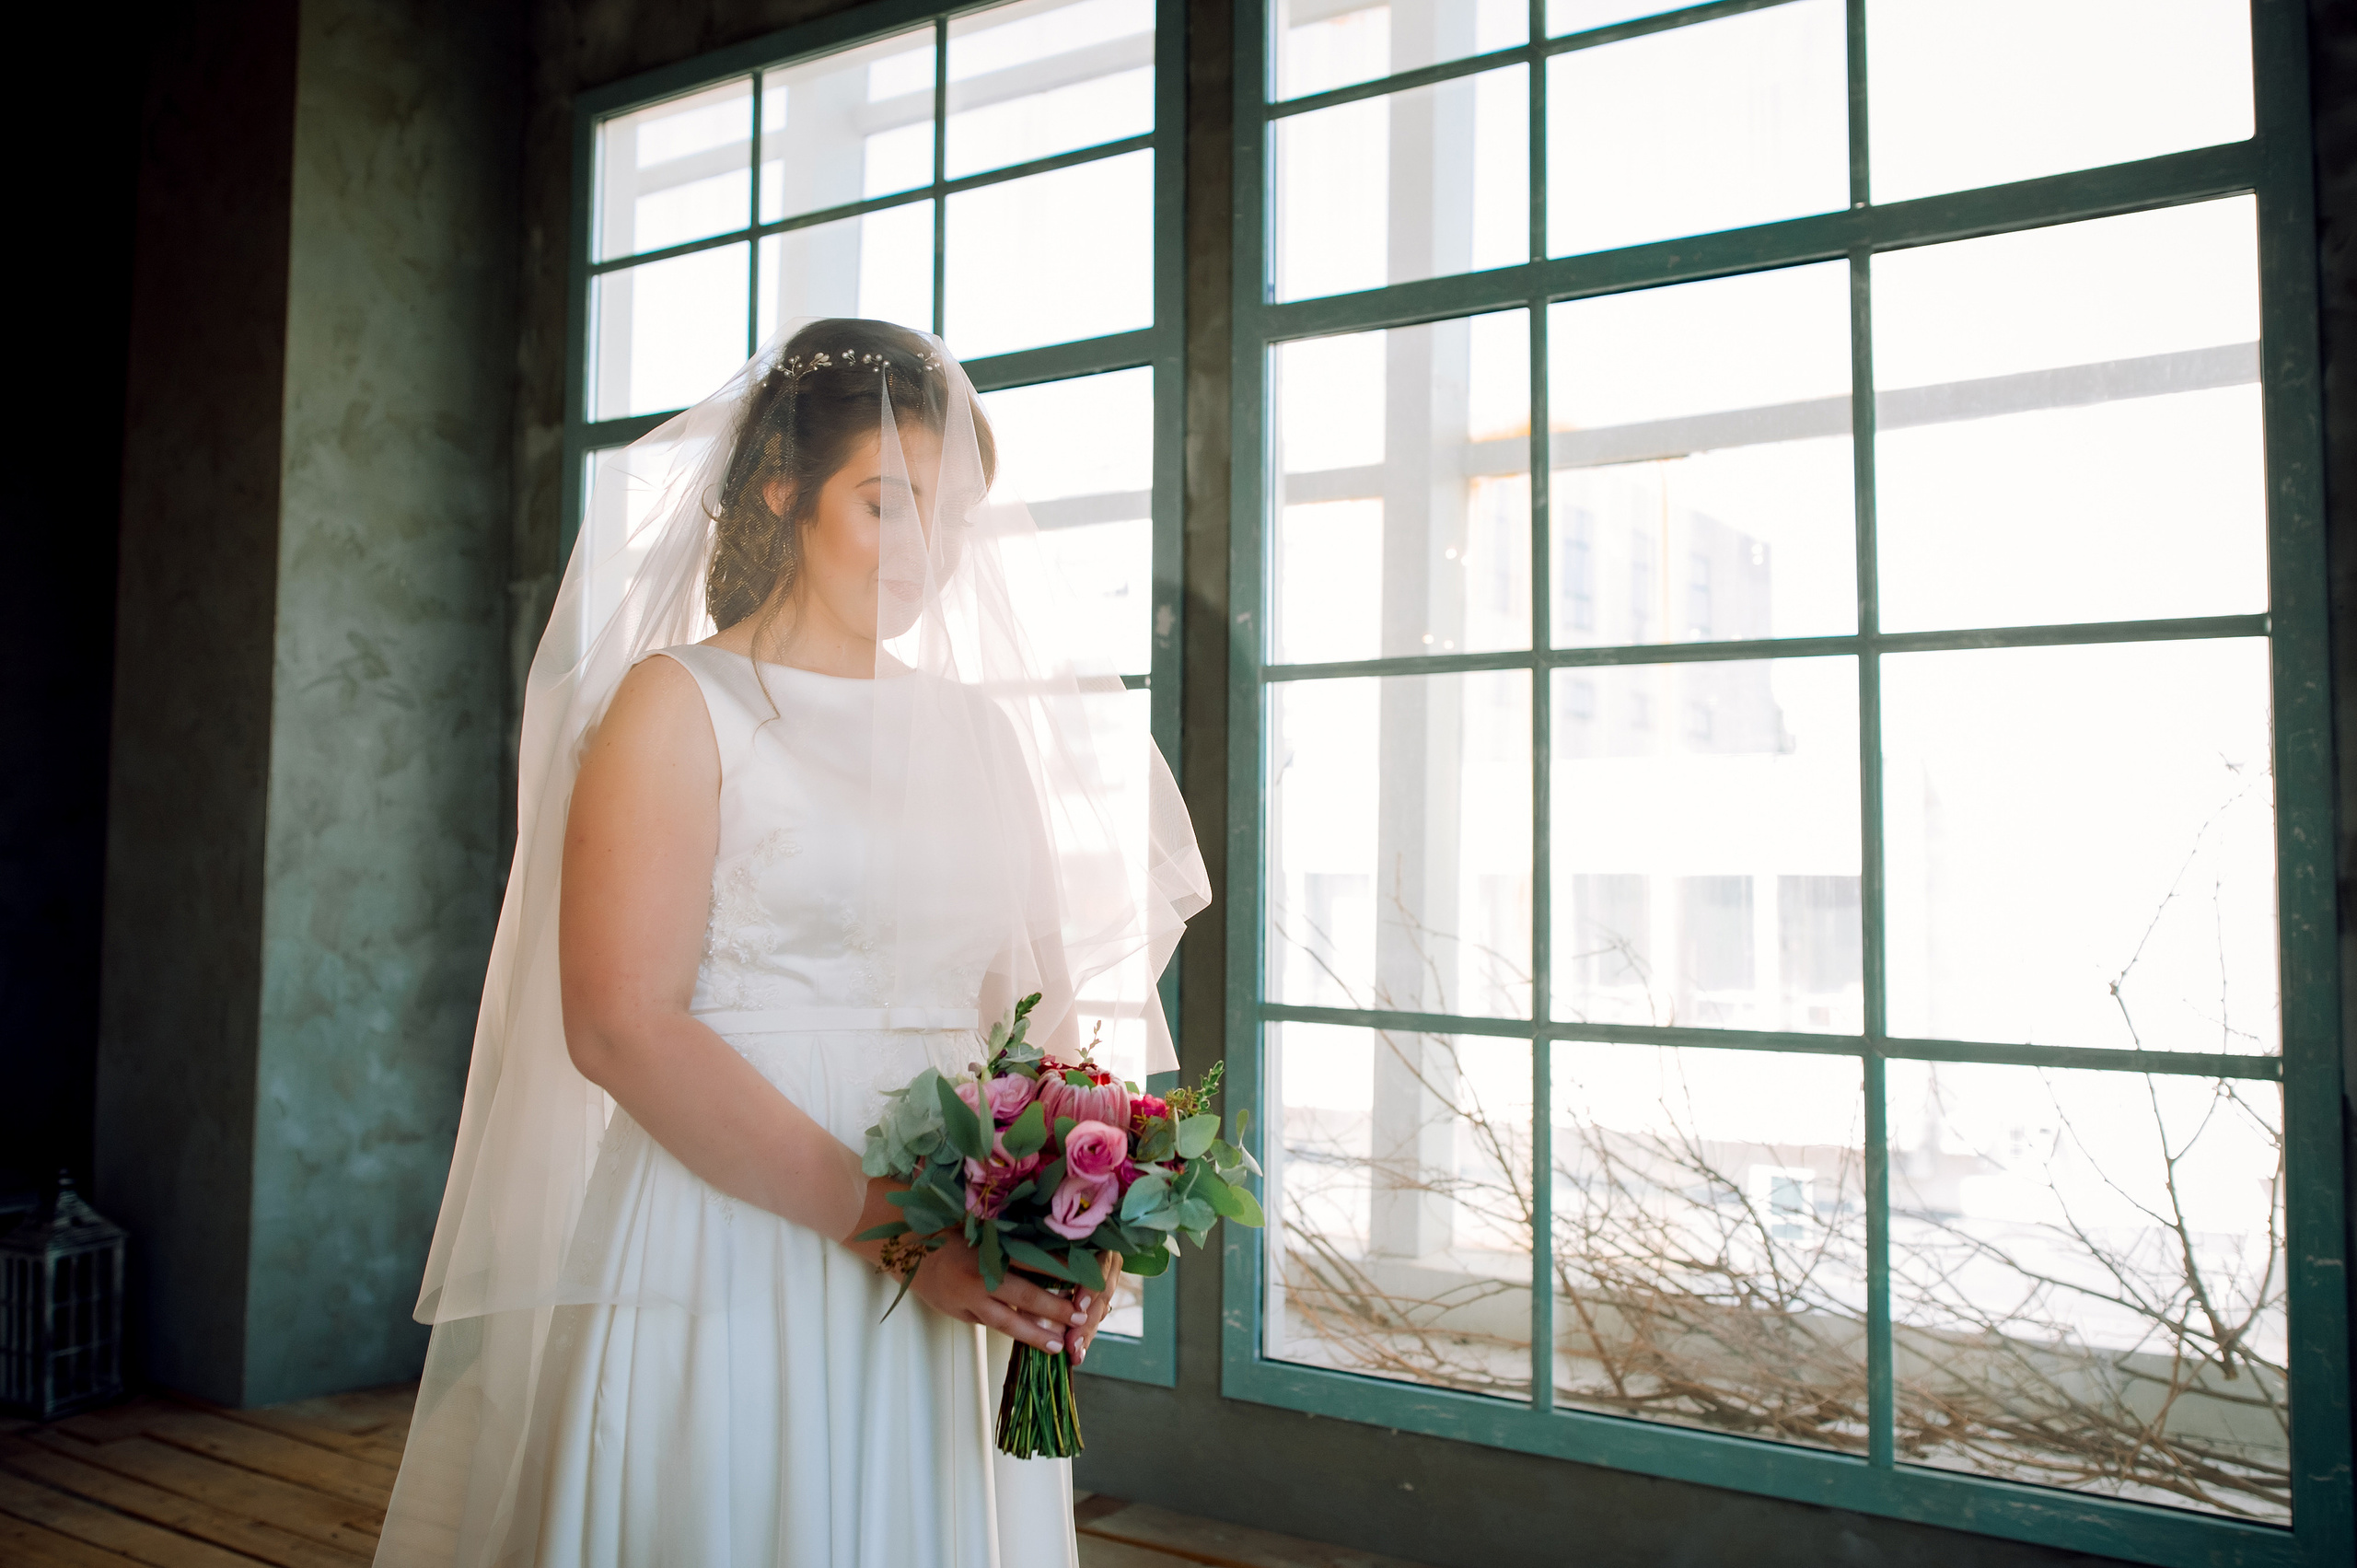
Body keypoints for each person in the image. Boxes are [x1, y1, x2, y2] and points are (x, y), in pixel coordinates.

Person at [374, 319, 1209, 1567]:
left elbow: (1025, 1019)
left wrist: (1058, 1225)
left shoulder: (980, 735)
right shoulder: (677, 704)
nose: (926, 551)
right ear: (782, 489)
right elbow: (618, 1026)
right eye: (888, 503)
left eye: (951, 518)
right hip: (730, 1234)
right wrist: (903, 1237)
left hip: (951, 1229)